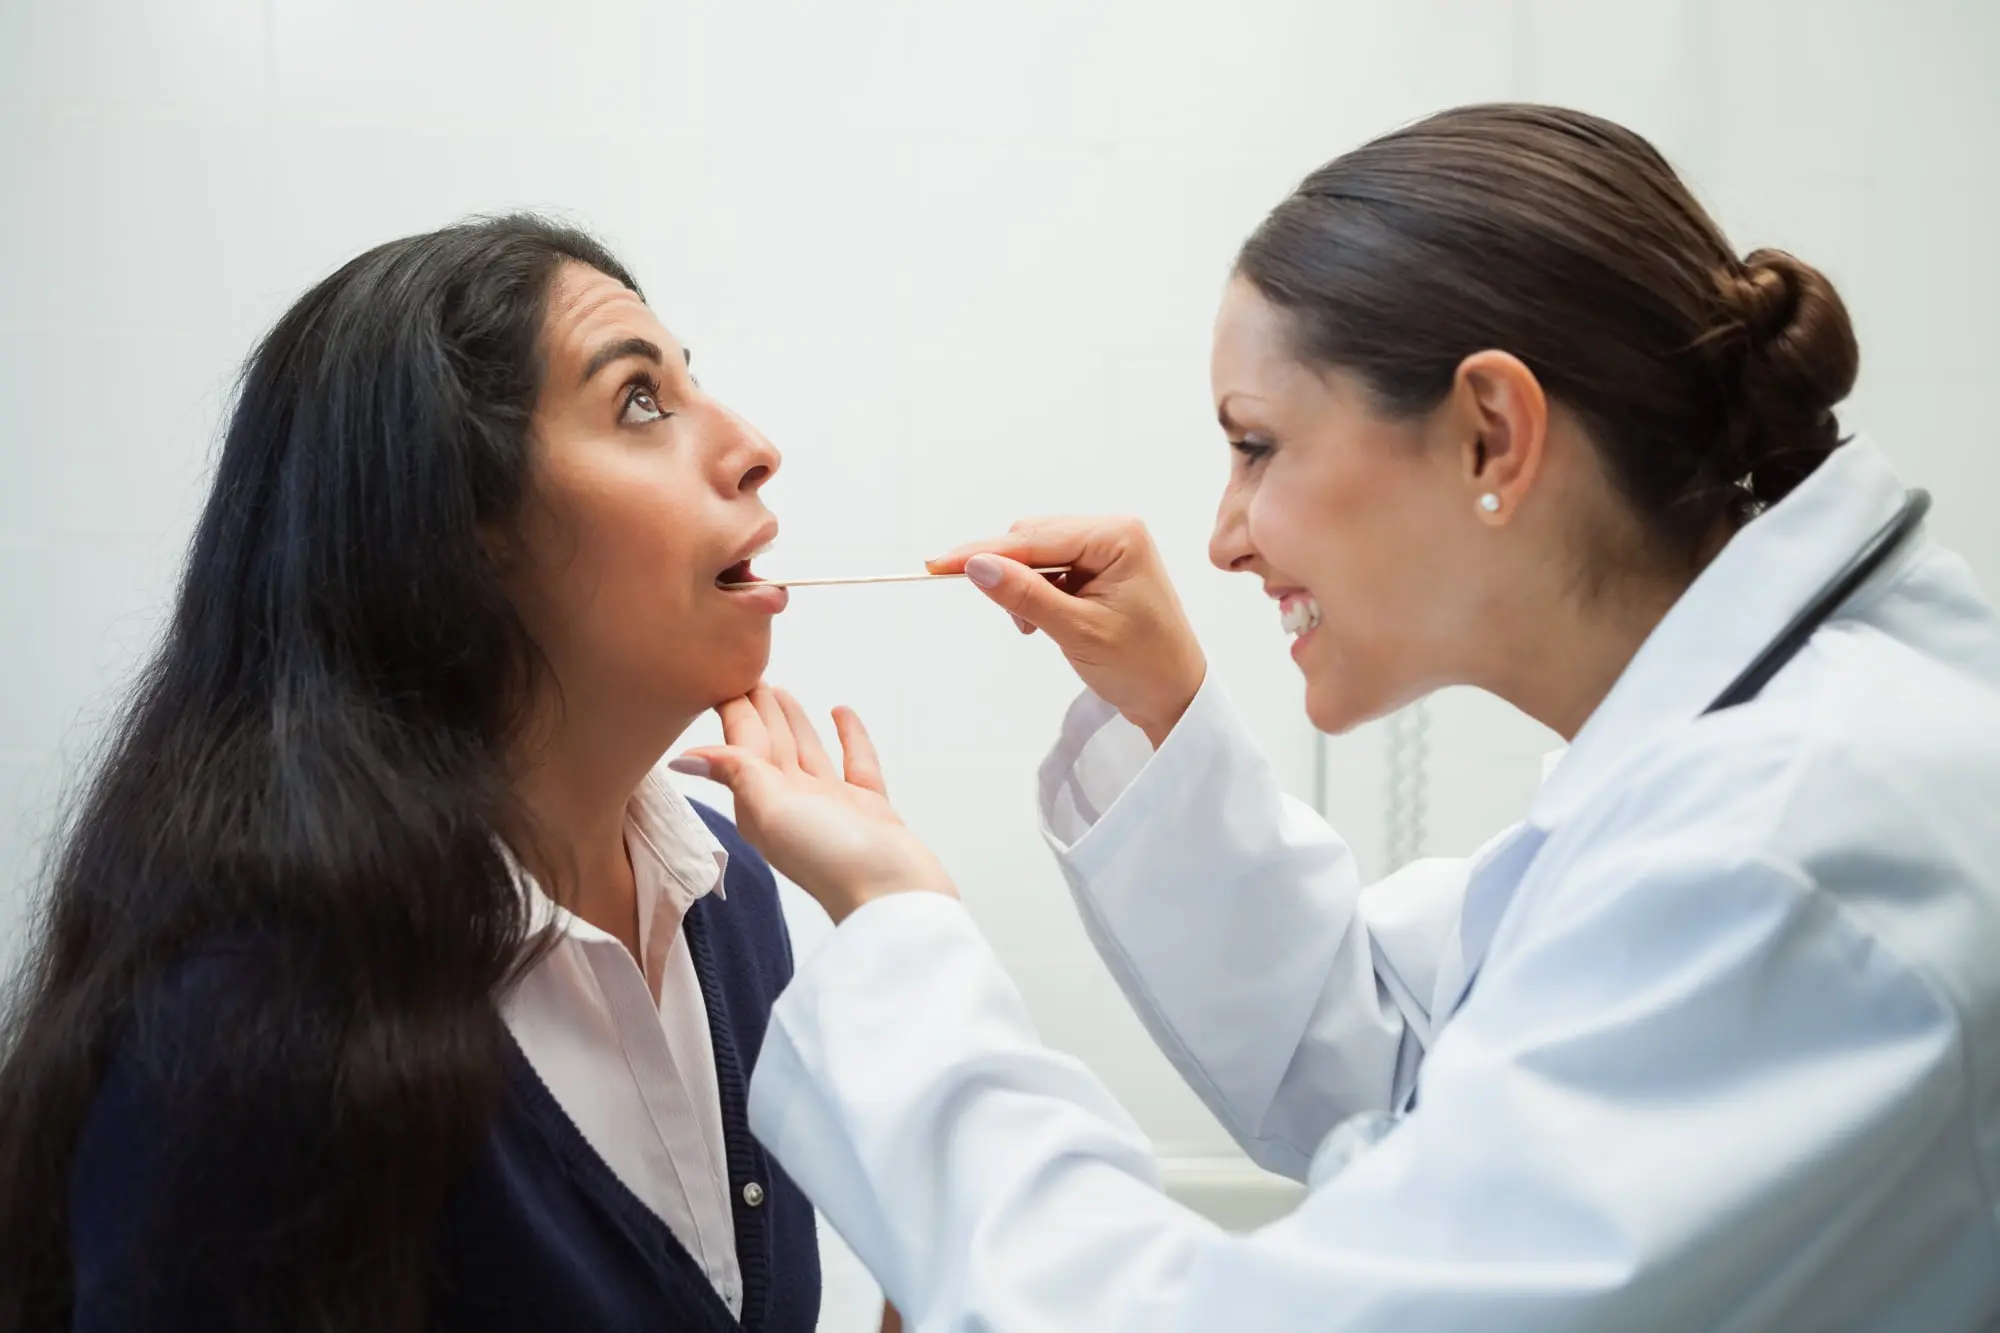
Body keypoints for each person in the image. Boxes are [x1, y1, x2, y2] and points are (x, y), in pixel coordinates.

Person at [672, 105, 2000, 1329]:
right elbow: (1407, 1055)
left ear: (1490, 432)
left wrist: (900, 928)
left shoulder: (1792, 848)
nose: (1224, 539)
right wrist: (1165, 710)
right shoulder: (1750, 771)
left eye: (1256, 444)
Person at [0, 215, 832, 1332]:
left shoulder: (734, 898)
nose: (753, 445)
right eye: (641, 400)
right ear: (461, 526)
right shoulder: (249, 1033)